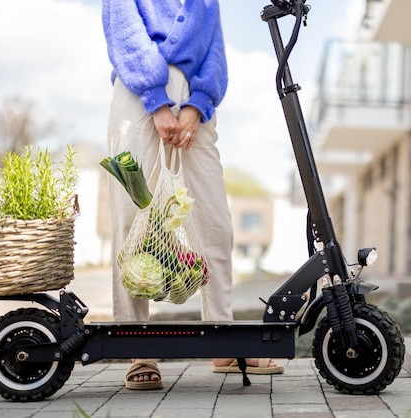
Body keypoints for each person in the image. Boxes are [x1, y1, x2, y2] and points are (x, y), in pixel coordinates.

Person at [102, 0, 283, 390]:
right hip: (137, 97)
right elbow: (125, 33)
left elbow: (214, 50)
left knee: (215, 221)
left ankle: (223, 338)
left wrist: (198, 106)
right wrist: (157, 100)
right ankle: (138, 349)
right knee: (132, 219)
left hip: (195, 106)